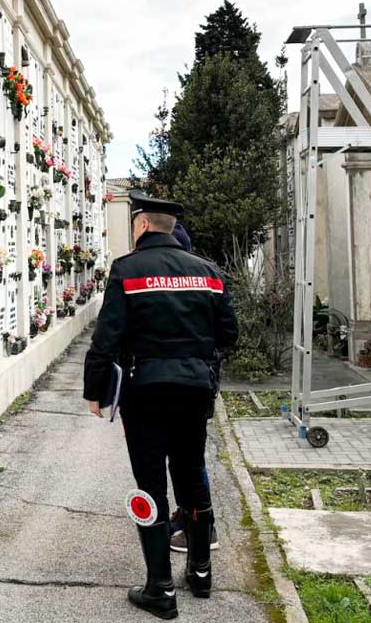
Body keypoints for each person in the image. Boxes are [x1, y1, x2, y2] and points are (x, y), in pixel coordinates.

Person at [84, 191, 238, 619]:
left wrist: (95, 390)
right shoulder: (210, 273)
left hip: (145, 395)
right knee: (191, 472)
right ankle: (202, 572)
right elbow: (229, 335)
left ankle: (160, 588)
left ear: (143, 226)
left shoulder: (128, 271)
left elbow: (107, 337)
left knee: (150, 482)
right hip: (194, 394)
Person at [166, 221, 219, 556]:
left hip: (190, 382)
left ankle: (202, 528)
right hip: (203, 379)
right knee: (185, 457)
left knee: (189, 459)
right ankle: (187, 515)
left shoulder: (180, 283)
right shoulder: (205, 277)